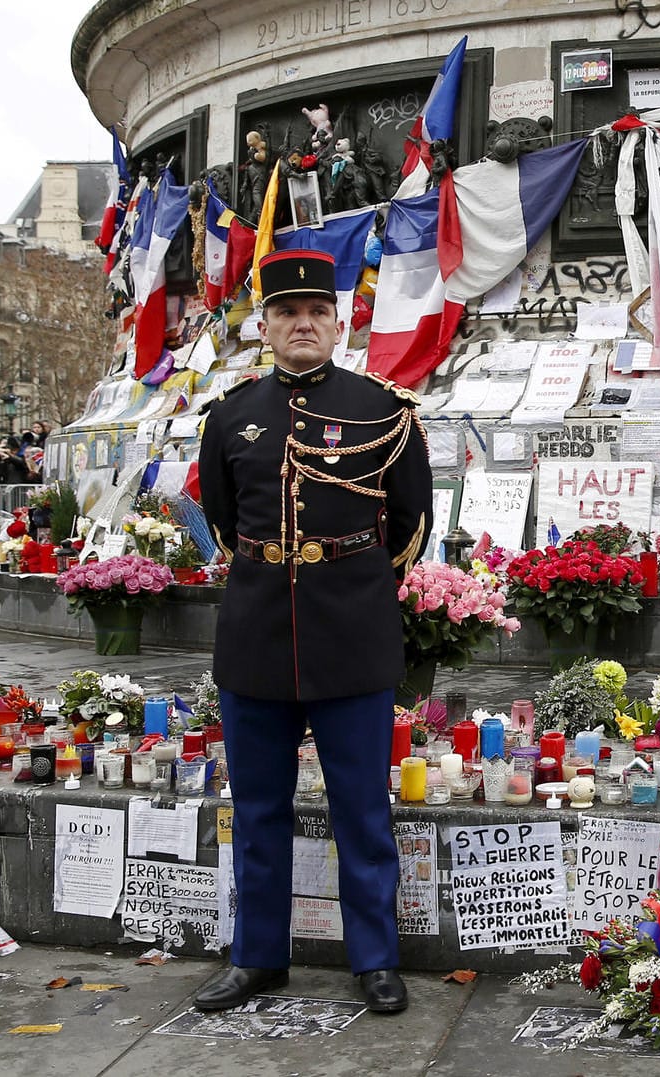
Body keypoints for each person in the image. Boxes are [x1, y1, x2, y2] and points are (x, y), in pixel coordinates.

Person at [193, 249, 432, 1016]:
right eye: (287, 313)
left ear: (339, 323)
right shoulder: (229, 414)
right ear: (263, 327)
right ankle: (258, 956)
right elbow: (227, 522)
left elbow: (410, 526)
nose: (303, 324)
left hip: (352, 633)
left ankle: (374, 959)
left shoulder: (384, 410)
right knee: (258, 810)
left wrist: (347, 582)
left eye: (317, 312)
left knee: (362, 807)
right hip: (257, 634)